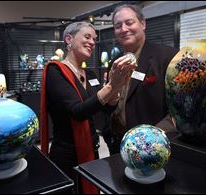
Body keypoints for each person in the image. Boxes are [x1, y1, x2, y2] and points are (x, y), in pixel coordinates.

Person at [40, 21, 136, 194]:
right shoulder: (56, 71)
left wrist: (118, 86)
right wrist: (111, 86)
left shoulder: (90, 74)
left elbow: (105, 108)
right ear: (69, 39)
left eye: (94, 38)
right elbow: (78, 112)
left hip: (91, 150)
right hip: (67, 154)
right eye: (87, 36)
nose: (92, 42)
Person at [102, 4, 179, 155]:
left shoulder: (168, 57)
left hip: (151, 150)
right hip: (116, 145)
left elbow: (179, 111)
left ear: (142, 24)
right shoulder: (114, 62)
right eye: (118, 26)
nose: (124, 29)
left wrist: (147, 139)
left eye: (129, 23)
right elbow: (110, 102)